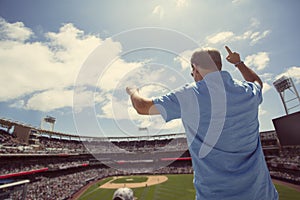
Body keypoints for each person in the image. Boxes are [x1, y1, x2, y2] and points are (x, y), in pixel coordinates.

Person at [126, 46, 278, 200]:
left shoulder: (190, 95)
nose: (192, 75)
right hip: (262, 194)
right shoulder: (247, 92)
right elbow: (257, 82)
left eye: (192, 71)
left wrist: (133, 91)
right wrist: (239, 63)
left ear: (195, 68)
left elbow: (142, 106)